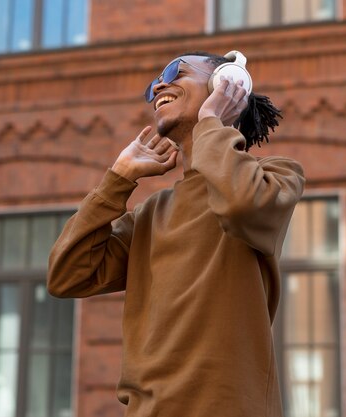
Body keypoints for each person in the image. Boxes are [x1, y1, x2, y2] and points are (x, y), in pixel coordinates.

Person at [48, 51, 305, 417]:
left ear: (228, 83)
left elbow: (240, 204)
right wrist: (118, 179)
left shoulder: (276, 176)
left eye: (175, 72)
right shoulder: (151, 214)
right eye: (155, 81)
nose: (158, 85)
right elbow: (67, 275)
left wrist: (211, 121)